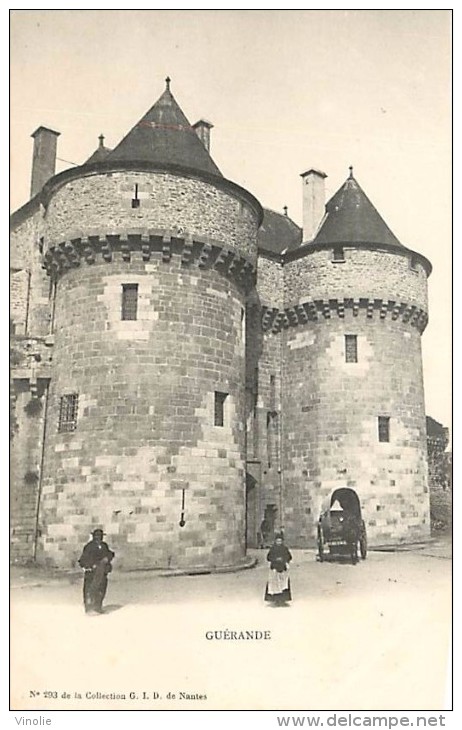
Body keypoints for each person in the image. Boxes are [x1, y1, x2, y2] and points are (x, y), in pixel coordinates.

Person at [78, 528, 115, 614]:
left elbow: (110, 553)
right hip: (92, 572)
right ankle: (89, 608)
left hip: (102, 572)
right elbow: (84, 559)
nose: (99, 538)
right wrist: (91, 565)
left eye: (100, 536)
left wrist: (107, 558)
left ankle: (98, 606)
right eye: (97, 536)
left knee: (101, 588)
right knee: (90, 589)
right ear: (93, 537)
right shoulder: (89, 547)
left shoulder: (104, 546)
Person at [264, 533, 292, 606]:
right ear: (275, 541)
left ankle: (283, 599)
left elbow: (289, 557)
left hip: (282, 568)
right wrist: (275, 559)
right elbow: (268, 557)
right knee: (275, 584)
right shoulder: (273, 549)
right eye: (277, 541)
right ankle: (275, 599)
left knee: (283, 584)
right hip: (275, 568)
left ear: (282, 541)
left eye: (280, 541)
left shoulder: (284, 548)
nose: (279, 543)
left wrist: (283, 559)